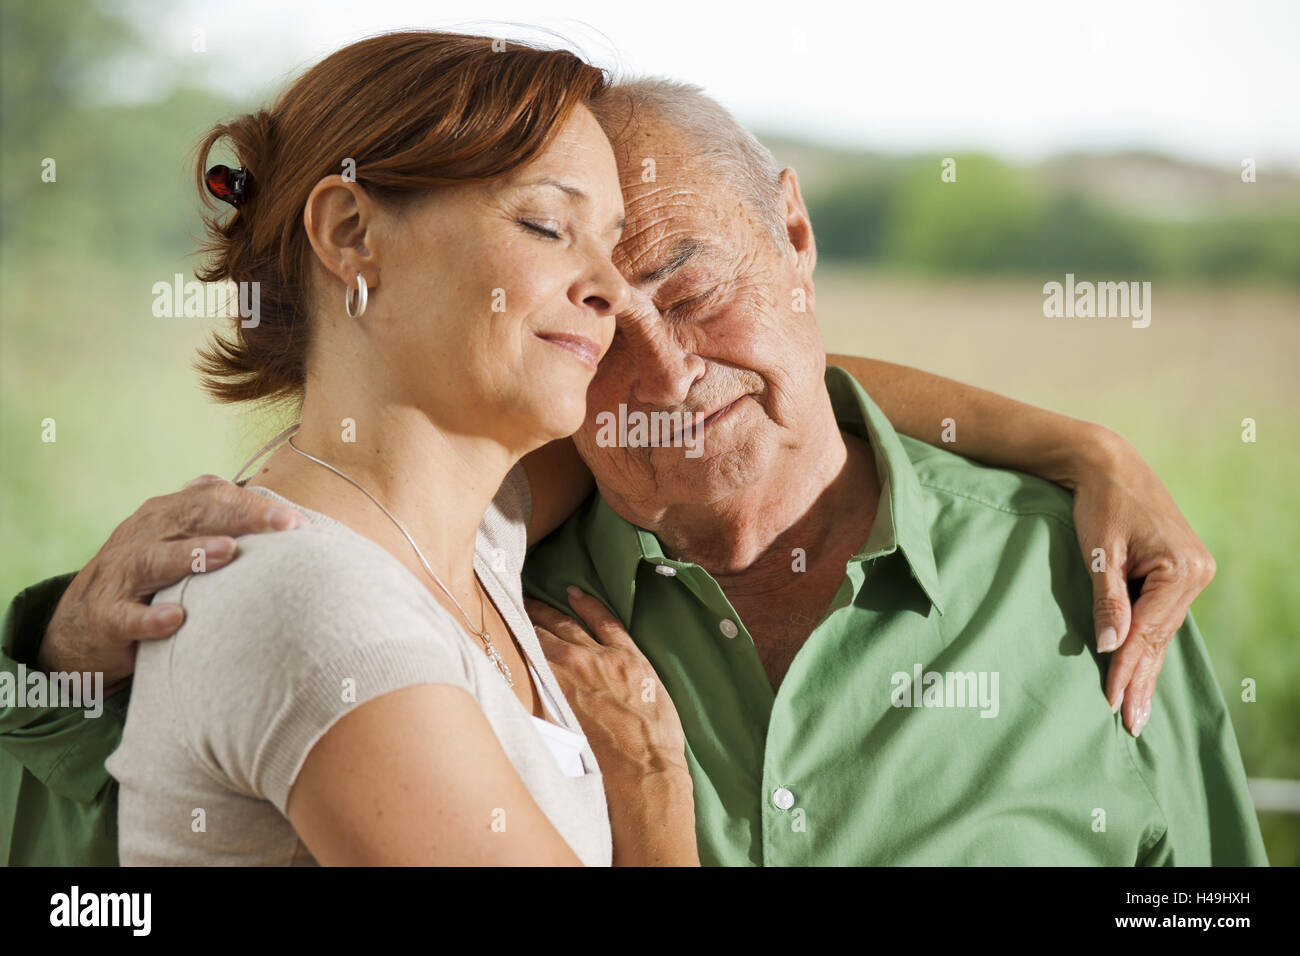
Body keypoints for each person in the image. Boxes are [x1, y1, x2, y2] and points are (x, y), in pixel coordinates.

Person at [0, 56, 1248, 868]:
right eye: (557, 239)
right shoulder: (410, 569)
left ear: (796, 236)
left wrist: (1077, 441)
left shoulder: (1093, 579)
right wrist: (59, 652)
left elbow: (753, 376)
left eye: (681, 275)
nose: (634, 350)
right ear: (348, 236)